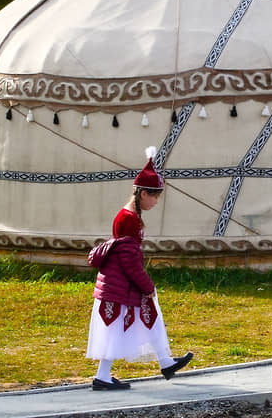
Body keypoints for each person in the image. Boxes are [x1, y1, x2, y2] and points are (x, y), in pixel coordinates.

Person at [86, 147, 193, 390]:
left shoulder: (130, 216)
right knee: (117, 327)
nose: (156, 201)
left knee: (147, 317)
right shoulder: (129, 220)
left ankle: (164, 362)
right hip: (120, 284)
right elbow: (129, 260)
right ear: (143, 193)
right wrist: (147, 286)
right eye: (154, 196)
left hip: (119, 282)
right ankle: (104, 376)